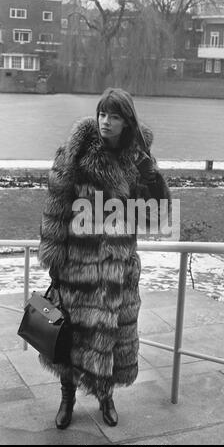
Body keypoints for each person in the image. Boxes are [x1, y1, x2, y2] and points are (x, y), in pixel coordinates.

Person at [38, 87, 171, 429]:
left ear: (127, 122)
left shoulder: (138, 160)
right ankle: (67, 398)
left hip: (118, 268)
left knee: (110, 336)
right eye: (102, 114)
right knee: (71, 335)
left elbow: (156, 217)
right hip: (77, 265)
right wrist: (54, 257)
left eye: (114, 116)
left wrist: (152, 178)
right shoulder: (74, 155)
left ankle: (105, 397)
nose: (105, 122)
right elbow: (55, 211)